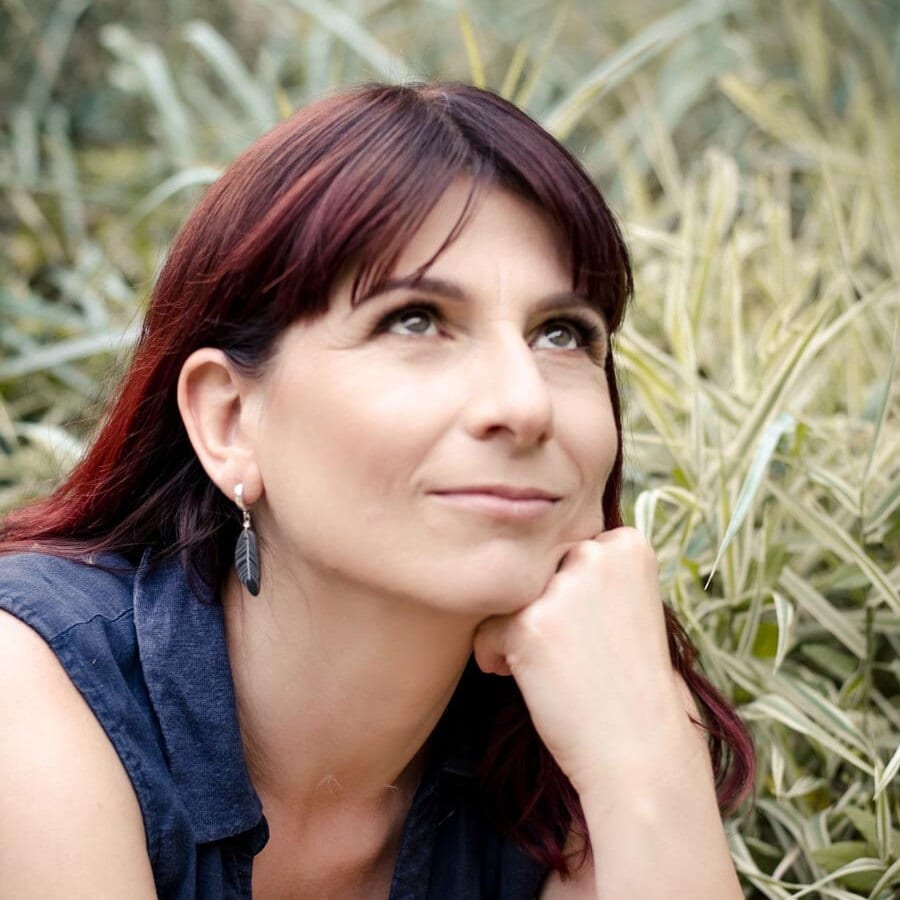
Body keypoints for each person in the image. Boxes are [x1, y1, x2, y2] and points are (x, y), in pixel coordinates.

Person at [0, 82, 754, 899]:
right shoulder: (31, 689)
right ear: (229, 421)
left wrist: (647, 762)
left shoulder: (574, 741)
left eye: (562, 334)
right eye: (415, 320)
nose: (525, 404)